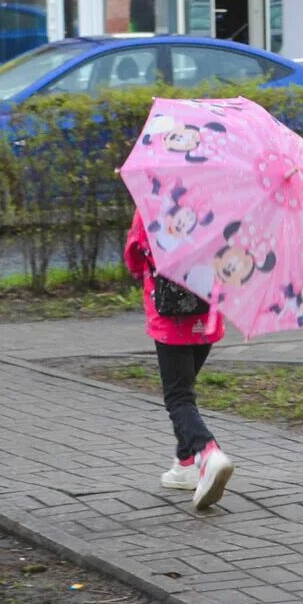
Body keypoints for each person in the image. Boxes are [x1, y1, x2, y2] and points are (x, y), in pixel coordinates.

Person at [123, 210, 237, 510]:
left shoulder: (154, 202)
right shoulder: (219, 202)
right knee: (185, 387)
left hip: (171, 318)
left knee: (178, 397)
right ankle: (184, 462)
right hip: (208, 315)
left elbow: (134, 254)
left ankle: (207, 453)